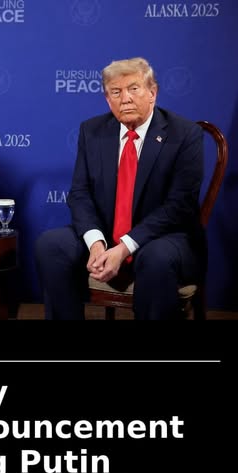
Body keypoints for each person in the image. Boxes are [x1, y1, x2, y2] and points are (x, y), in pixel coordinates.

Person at [35, 57, 206, 320]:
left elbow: (179, 206)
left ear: (152, 93)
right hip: (106, 234)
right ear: (107, 99)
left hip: (166, 238)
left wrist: (125, 246)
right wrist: (96, 244)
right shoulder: (92, 131)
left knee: (156, 257)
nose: (125, 98)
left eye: (133, 88)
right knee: (51, 245)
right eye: (116, 92)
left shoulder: (184, 134)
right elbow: (80, 193)